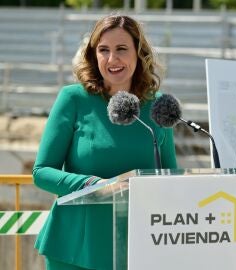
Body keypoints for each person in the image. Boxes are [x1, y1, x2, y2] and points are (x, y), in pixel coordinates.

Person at [33, 15, 177, 270]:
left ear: (139, 53)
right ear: (93, 55)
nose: (112, 59)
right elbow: (41, 172)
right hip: (75, 249)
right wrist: (92, 185)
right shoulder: (73, 99)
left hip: (140, 246)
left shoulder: (159, 106)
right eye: (103, 50)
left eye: (121, 49)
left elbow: (171, 178)